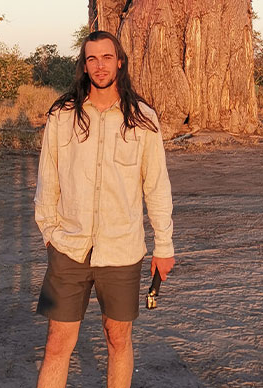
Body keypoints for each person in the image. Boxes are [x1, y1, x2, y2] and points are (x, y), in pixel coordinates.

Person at [34, 30, 175, 388]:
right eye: (92, 59)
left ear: (120, 62)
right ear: (84, 65)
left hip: (122, 251)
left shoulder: (143, 119)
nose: (100, 66)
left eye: (107, 58)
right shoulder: (63, 116)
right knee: (56, 345)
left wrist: (164, 246)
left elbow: (156, 186)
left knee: (118, 340)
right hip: (69, 249)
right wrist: (50, 233)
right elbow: (47, 181)